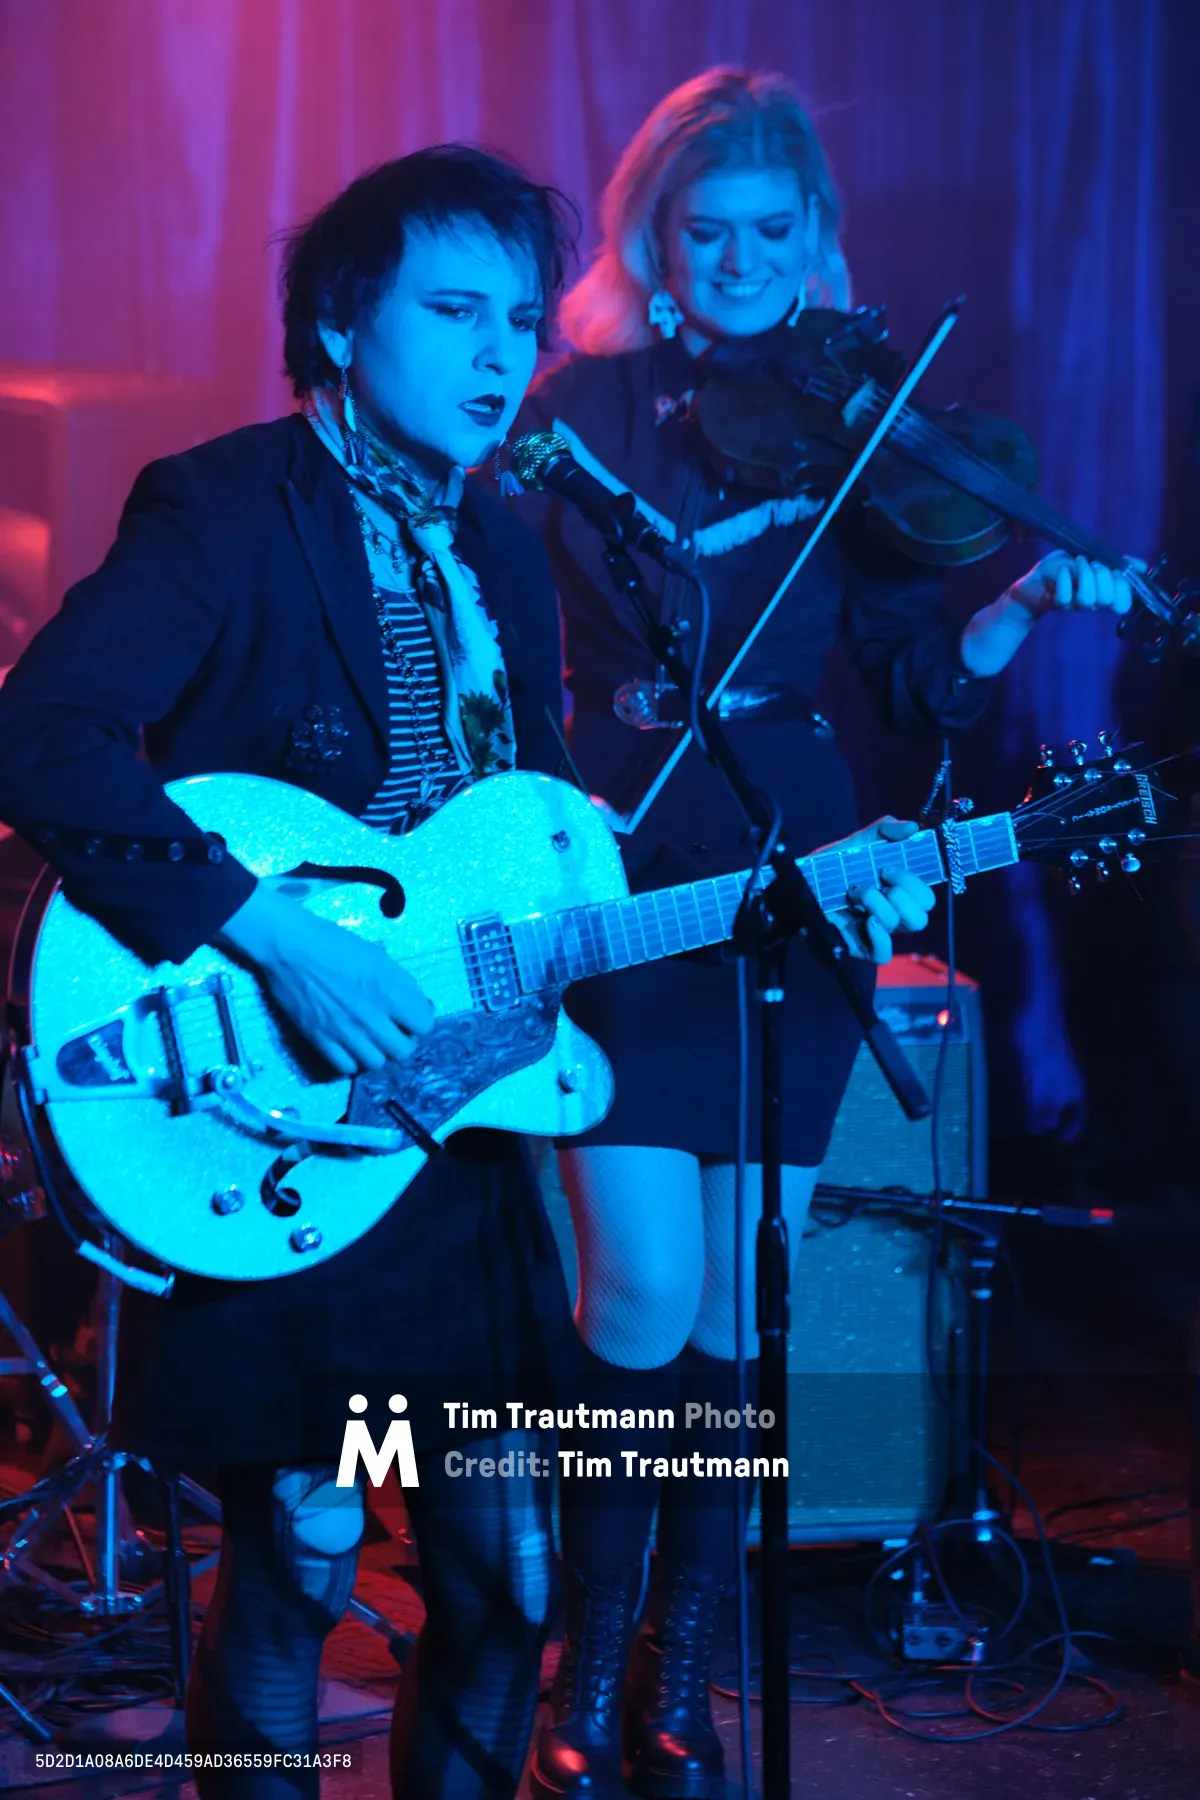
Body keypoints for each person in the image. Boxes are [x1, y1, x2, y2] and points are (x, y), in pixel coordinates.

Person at [0, 139, 929, 1800]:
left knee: (504, 1591)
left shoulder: (509, 546)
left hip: (459, 1145)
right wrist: (268, 930)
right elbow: (44, 738)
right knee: (293, 1559)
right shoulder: (223, 505)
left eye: (520, 320)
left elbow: (527, 855)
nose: (504, 353)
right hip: (267, 1114)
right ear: (345, 325)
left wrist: (807, 887)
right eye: (454, 312)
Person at [515, 68, 1134, 1800]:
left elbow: (919, 689)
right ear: (654, 236)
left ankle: (682, 1668)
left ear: (816, 236)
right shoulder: (582, 409)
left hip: (805, 881)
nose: (736, 260)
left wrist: (1008, 602)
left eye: (771, 232)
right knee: (636, 1291)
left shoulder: (858, 427)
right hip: (630, 884)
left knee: (740, 1307)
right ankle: (587, 1638)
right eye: (701, 232)